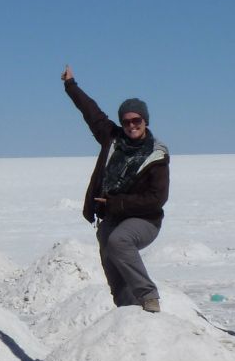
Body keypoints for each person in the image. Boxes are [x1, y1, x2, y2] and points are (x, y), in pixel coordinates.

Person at [61, 65, 169, 312]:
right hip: (112, 216)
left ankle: (148, 295)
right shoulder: (112, 139)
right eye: (126, 121)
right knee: (109, 255)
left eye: (136, 120)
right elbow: (91, 111)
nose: (131, 125)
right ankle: (126, 309)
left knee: (119, 241)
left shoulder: (156, 155)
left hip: (145, 219)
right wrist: (71, 85)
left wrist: (117, 203)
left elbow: (157, 198)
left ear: (145, 121)